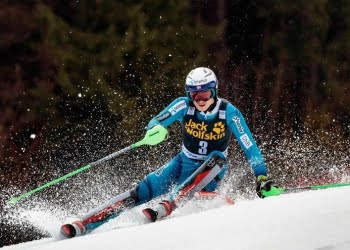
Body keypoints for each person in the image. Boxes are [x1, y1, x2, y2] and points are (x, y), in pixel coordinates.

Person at [61, 67, 278, 238]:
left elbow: (249, 145)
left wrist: (261, 177)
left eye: (204, 93)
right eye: (194, 94)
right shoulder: (184, 105)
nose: (200, 99)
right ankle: (85, 223)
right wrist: (155, 130)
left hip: (209, 175)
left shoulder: (228, 112)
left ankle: (169, 205)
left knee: (217, 158)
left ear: (214, 91)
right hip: (183, 163)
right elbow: (157, 120)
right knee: (142, 190)